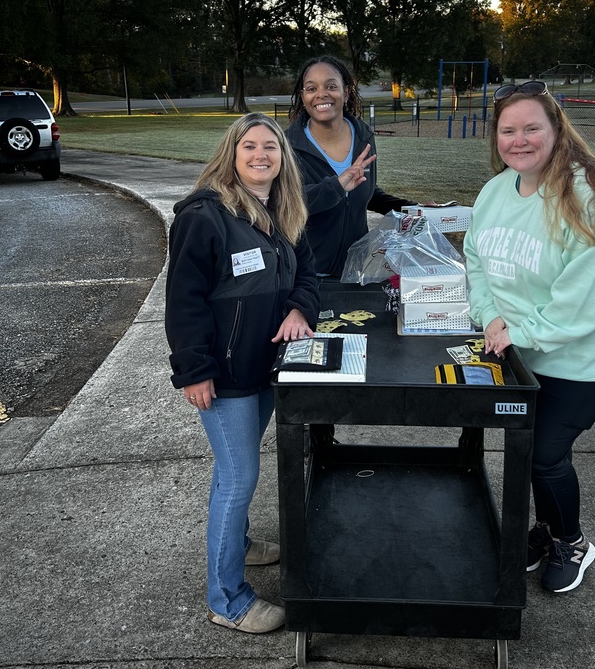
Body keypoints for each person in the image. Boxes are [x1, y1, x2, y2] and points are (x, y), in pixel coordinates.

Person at [463, 81, 595, 593]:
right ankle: (542, 532)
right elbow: (477, 260)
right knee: (525, 450)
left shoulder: (592, 194)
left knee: (544, 453)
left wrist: (518, 329)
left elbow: (587, 298)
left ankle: (572, 542)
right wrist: (490, 315)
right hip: (519, 349)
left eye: (531, 128)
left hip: (581, 356)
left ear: (556, 129)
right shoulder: (496, 190)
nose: (519, 140)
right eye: (508, 130)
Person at [165, 113, 319, 634]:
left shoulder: (284, 210)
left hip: (265, 369)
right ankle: (227, 599)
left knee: (241, 471)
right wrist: (193, 371)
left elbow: (309, 273)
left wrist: (300, 310)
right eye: (249, 146)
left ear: (283, 156)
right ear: (231, 153)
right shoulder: (204, 216)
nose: (260, 155)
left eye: (270, 147)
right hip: (224, 376)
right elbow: (183, 303)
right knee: (238, 477)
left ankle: (244, 546)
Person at [285, 55, 416, 277]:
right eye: (311, 88)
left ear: (346, 93)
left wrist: (414, 209)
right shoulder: (288, 146)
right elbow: (288, 203)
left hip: (353, 271)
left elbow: (365, 191)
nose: (321, 94)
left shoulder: (363, 137)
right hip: (304, 275)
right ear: (303, 97)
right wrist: (336, 186)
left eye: (331, 86)